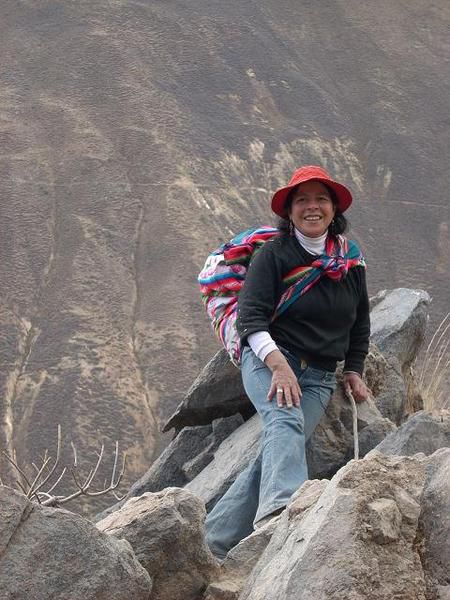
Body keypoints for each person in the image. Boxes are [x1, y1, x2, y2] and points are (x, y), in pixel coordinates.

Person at [205, 165, 370, 559]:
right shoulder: (275, 255)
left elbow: (359, 320)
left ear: (334, 209)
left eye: (320, 200)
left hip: (317, 375)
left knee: (280, 448)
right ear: (289, 211)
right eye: (302, 201)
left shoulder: (349, 260)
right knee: (285, 420)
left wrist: (354, 369)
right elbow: (251, 316)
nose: (312, 208)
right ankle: (281, 512)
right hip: (269, 359)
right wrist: (278, 365)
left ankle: (213, 540)